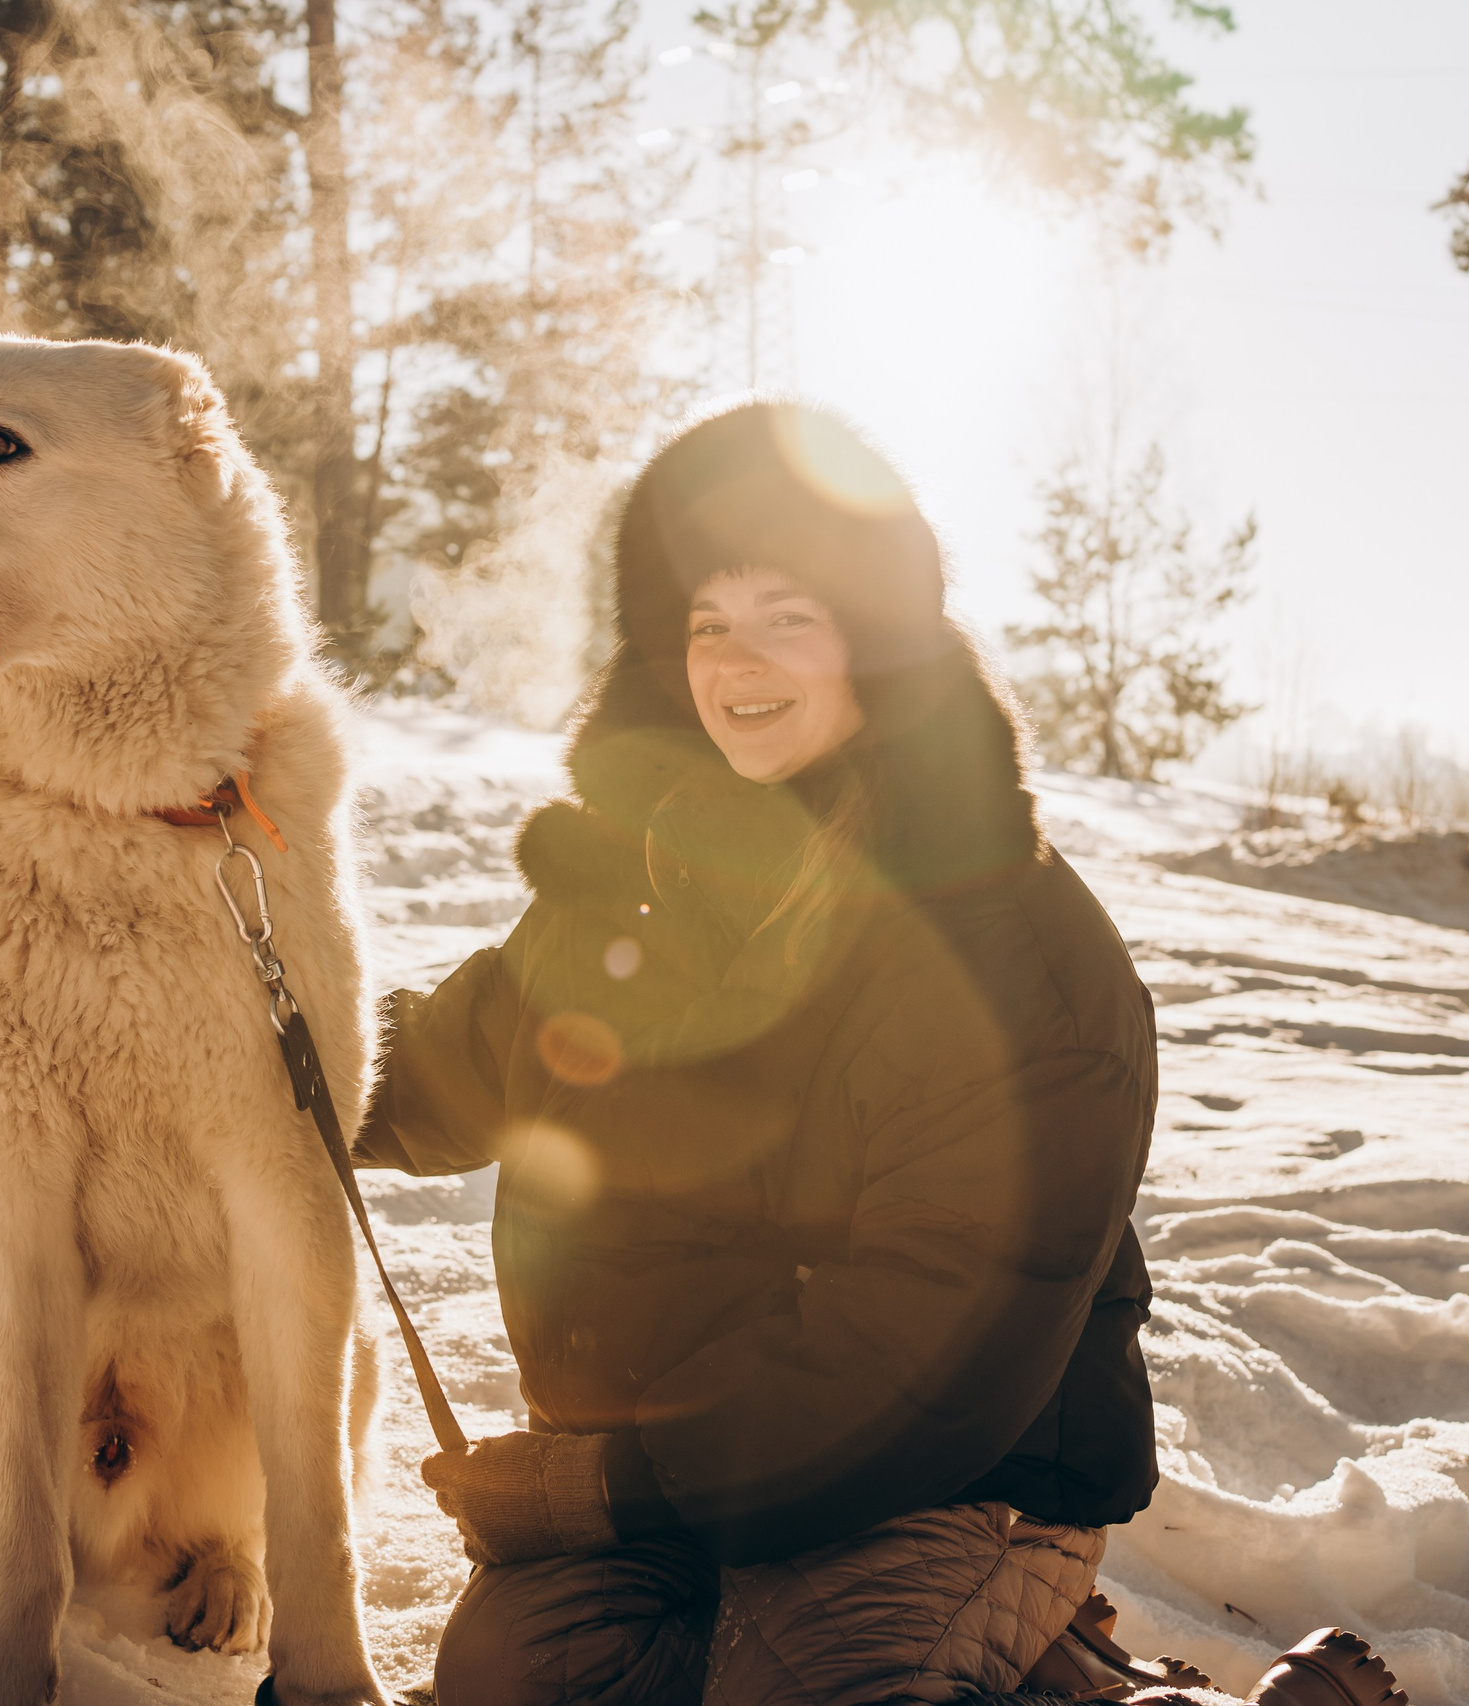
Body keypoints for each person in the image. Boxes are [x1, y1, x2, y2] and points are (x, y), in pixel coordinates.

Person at [357, 399, 1161, 1706]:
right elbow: (456, 1065)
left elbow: (924, 1349)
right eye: (706, 622)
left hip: (948, 1477)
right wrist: (257, 1044)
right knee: (514, 1674)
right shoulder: (634, 882)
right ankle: (1031, 1675)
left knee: (792, 1687)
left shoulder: (1013, 952)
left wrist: (602, 1487)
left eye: (790, 614)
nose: (740, 660)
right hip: (687, 1468)